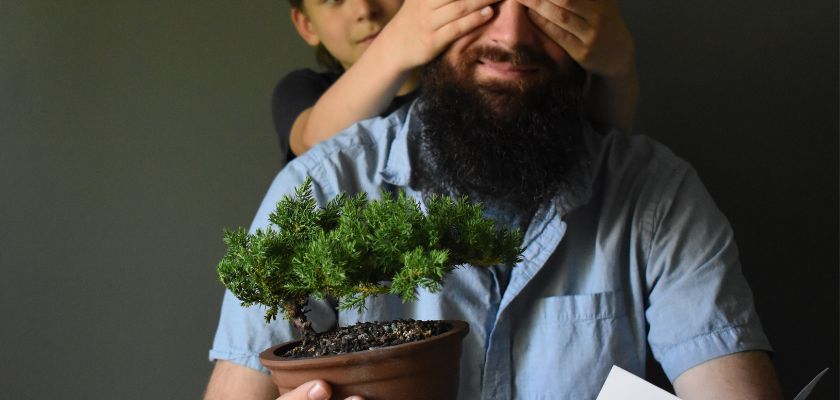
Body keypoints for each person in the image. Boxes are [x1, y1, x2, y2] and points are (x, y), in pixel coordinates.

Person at [206, 1, 784, 399]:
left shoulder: (657, 198)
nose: (510, 36)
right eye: (480, 2)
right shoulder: (324, 188)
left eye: (542, 3)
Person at [273, 0, 638, 163]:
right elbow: (314, 142)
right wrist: (397, 44)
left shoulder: (463, 73)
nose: (365, 9)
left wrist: (617, 63)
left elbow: (601, 134)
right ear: (306, 25)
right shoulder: (302, 88)